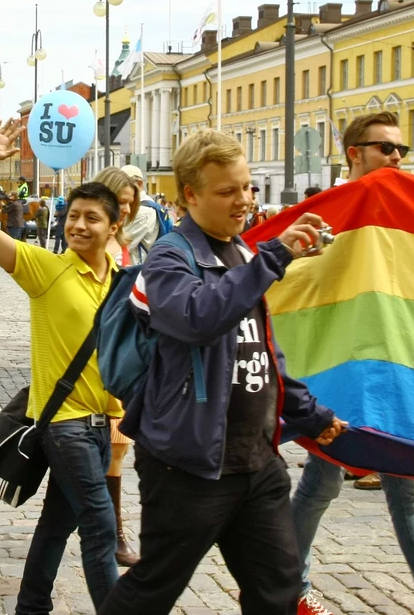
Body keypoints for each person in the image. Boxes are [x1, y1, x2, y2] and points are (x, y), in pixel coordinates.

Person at [98, 130, 346, 615]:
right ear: (191, 194)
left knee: (278, 590)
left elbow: (261, 357)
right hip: (188, 465)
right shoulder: (170, 258)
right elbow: (199, 317)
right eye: (228, 191)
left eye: (248, 188)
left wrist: (311, 414)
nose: (244, 201)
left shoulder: (245, 254)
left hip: (257, 461)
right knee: (153, 589)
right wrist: (274, 257)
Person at [293, 112, 414, 615]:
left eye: (401, 149)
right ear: (354, 153)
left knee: (408, 488)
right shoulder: (325, 215)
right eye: (386, 148)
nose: (397, 157)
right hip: (340, 372)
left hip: (394, 373)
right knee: (324, 481)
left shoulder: (410, 213)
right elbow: (297, 285)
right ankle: (288, 587)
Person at [0, 120, 122, 613]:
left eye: (92, 218)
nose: (79, 225)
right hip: (62, 425)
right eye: (73, 215)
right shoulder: (47, 270)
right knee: (101, 527)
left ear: (114, 227)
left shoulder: (123, 282)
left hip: (101, 427)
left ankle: (30, 607)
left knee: (58, 525)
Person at [89, 166, 144, 566]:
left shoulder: (122, 244)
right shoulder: (94, 245)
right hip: (95, 360)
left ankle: (111, 530)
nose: (124, 211)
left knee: (116, 449)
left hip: (118, 356)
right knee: (109, 449)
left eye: (129, 204)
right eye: (119, 203)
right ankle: (113, 532)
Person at [118, 165, 160, 260]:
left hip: (135, 268)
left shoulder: (143, 211)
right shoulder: (138, 207)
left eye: (125, 183)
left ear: (139, 184)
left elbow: (122, 246)